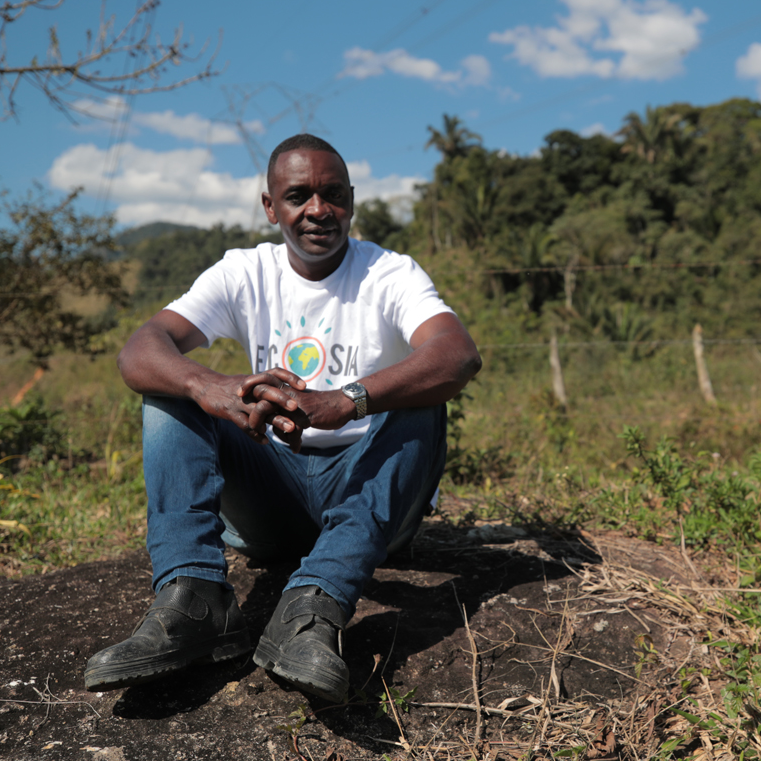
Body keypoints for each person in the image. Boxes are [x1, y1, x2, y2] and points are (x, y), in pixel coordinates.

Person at [83, 134, 481, 702]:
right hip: (273, 495)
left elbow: (457, 354)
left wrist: (346, 400)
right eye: (297, 196)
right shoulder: (244, 271)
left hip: (367, 493)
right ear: (270, 207)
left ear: (351, 200)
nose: (318, 210)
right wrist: (212, 387)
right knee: (170, 392)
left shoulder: (389, 273)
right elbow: (140, 349)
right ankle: (194, 600)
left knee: (424, 398)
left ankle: (314, 605)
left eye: (332, 194)